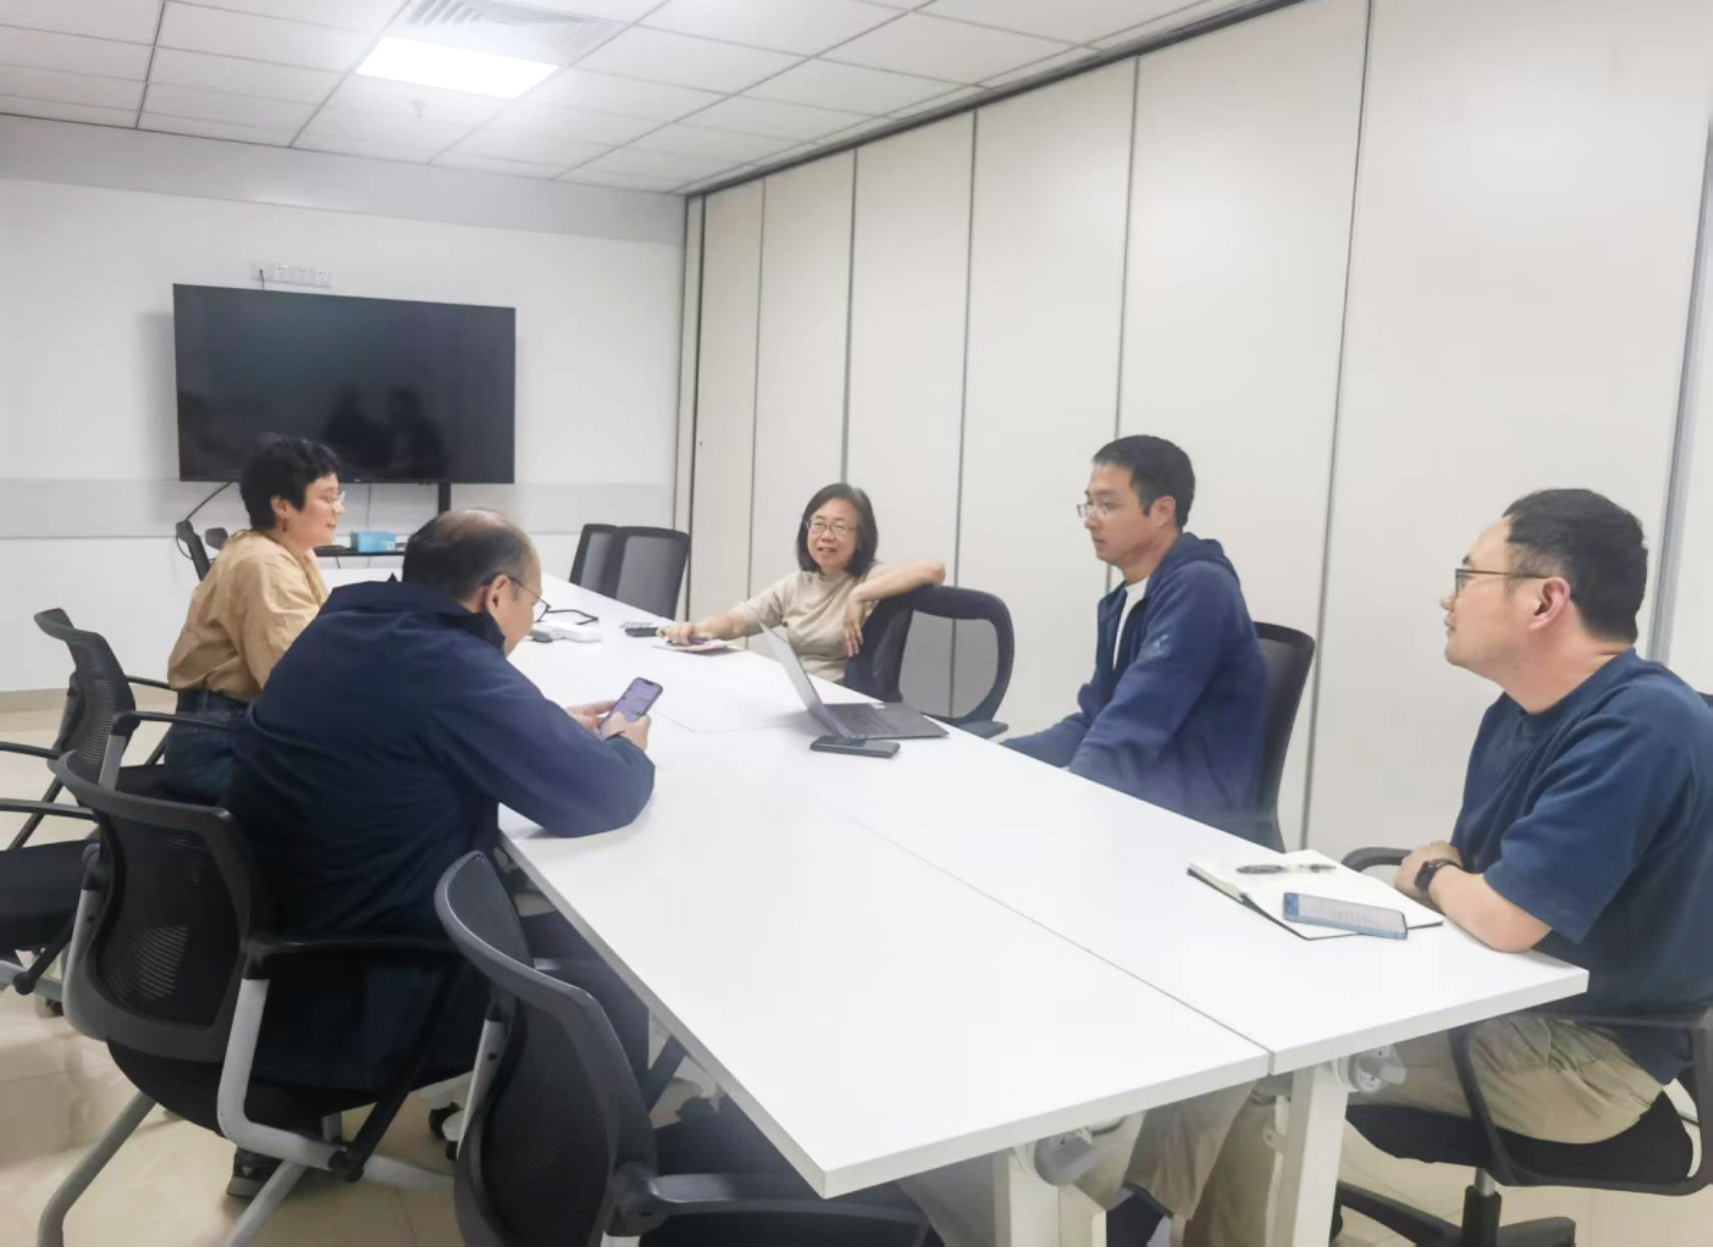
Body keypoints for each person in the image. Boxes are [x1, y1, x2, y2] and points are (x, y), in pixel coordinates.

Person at [1113, 489, 1713, 1246]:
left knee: (1263, 1053)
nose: (1448, 597)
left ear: (1544, 600)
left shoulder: (1642, 727)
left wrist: (1432, 878)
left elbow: (1501, 914)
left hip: (1584, 1056)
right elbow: (1480, 881)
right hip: (1501, 999)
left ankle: (1152, 1219)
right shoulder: (1519, 711)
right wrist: (1452, 882)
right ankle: (1169, 1214)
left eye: (1469, 575)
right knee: (1246, 986)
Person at [224, 509, 656, 1195]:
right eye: (533, 601)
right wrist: (627, 748)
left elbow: (414, 724)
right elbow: (600, 795)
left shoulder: (342, 628)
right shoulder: (449, 666)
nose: (528, 619)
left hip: (278, 954)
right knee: (607, 979)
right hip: (371, 983)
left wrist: (538, 728)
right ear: (497, 593)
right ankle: (549, 1186)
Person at [1006, 436, 1267, 838]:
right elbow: (1095, 720)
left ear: (1162, 511)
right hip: (1137, 803)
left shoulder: (1201, 589)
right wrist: (997, 759)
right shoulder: (1122, 602)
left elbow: (1133, 725)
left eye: (1108, 506)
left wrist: (1068, 802)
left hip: (1191, 826)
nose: (1091, 520)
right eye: (1089, 505)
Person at [163, 435, 343, 802]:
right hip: (219, 748)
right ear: (282, 505)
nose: (338, 509)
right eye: (327, 497)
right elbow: (294, 683)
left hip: (230, 728)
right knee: (365, 789)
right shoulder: (264, 564)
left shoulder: (283, 549)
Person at [661, 483, 946, 683]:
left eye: (839, 527)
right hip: (796, 695)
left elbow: (933, 569)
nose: (826, 535)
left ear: (860, 538)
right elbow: (737, 621)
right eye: (818, 524)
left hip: (844, 705)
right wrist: (698, 629)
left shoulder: (871, 577)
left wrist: (859, 595)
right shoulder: (796, 584)